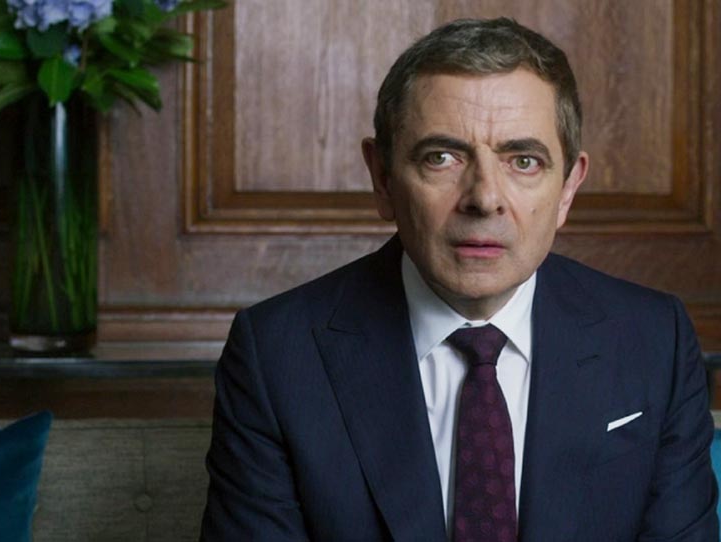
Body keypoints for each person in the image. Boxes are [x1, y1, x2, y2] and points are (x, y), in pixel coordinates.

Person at [200, 17, 719, 541]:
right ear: (382, 178)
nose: (484, 198)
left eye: (523, 161)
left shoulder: (655, 341)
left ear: (567, 189)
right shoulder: (277, 356)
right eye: (442, 158)